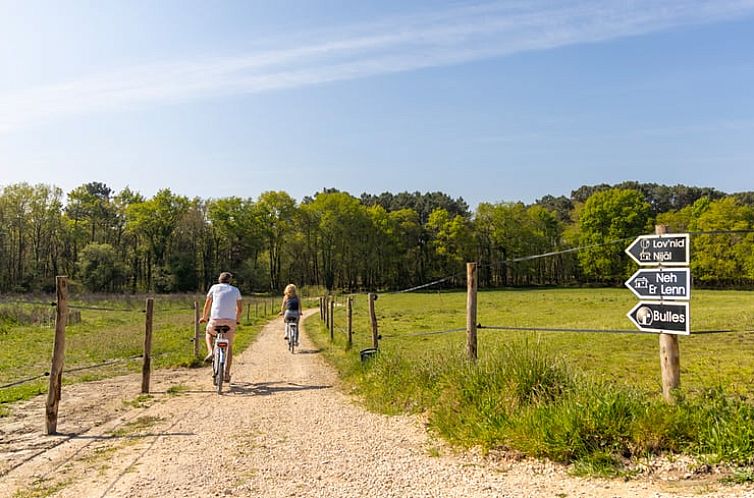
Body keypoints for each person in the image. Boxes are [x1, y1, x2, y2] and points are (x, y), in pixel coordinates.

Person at [200, 272, 242, 383]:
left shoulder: (214, 288)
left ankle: (210, 352)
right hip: (230, 322)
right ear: (230, 281)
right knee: (229, 345)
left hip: (215, 320)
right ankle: (227, 374)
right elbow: (240, 309)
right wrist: (237, 320)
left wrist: (204, 317)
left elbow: (207, 304)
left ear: (219, 279)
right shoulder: (235, 290)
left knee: (209, 333)